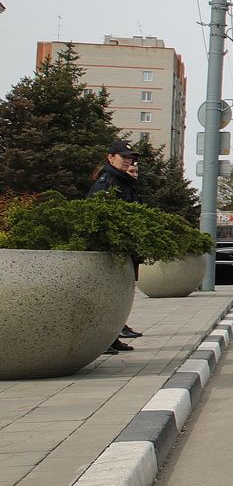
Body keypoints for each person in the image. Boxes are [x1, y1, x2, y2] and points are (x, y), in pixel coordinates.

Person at [87, 139, 144, 353]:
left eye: (131, 158)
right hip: (111, 251)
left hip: (124, 248)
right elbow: (97, 217)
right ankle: (101, 340)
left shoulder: (123, 182)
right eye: (124, 157)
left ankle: (112, 336)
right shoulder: (107, 182)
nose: (129, 161)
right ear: (111, 158)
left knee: (119, 296)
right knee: (107, 297)